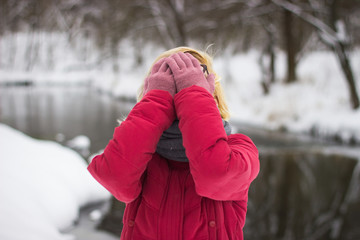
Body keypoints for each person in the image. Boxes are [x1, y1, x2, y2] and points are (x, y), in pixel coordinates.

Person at [87, 46, 260, 240]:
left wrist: (193, 94)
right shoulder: (141, 154)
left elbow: (213, 173)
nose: (179, 95)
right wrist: (157, 101)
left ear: (212, 96)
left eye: (188, 85)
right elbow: (114, 177)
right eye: (170, 85)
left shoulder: (239, 149)